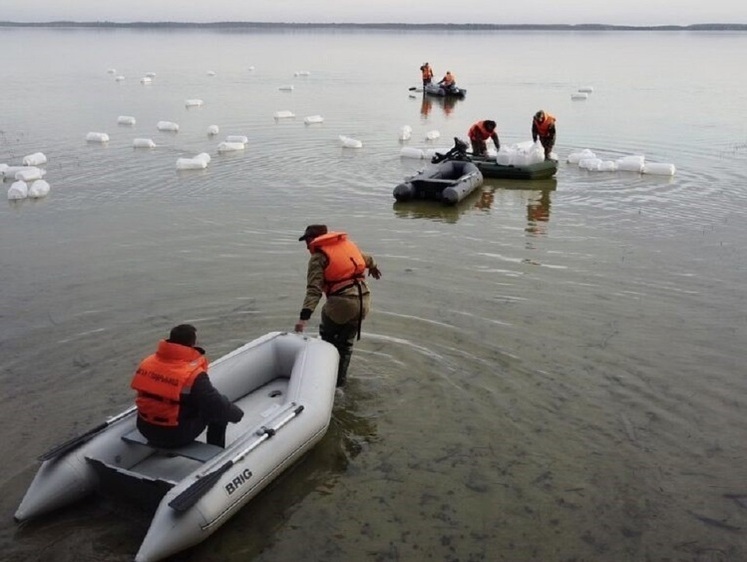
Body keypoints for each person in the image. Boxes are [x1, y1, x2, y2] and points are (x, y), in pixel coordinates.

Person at [294, 225, 381, 388]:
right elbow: (367, 259)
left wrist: (303, 319)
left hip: (342, 304)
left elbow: (314, 290)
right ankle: (340, 385)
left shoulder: (318, 258)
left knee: (328, 341)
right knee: (346, 345)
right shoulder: (345, 247)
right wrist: (374, 268)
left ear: (314, 239)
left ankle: (323, 384)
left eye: (307, 240)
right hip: (363, 301)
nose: (307, 246)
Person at [131, 324, 244, 449]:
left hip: (145, 428)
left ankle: (160, 445)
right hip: (177, 434)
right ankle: (216, 450)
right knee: (218, 410)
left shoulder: (147, 363)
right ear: (192, 343)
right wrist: (237, 415)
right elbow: (216, 404)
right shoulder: (192, 375)